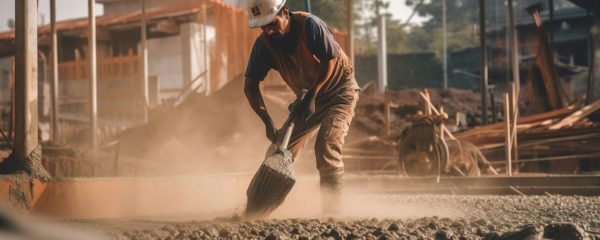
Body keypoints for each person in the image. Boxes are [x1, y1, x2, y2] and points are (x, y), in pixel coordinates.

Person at [244, 0, 359, 214]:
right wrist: (267, 122)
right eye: (263, 26)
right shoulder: (263, 45)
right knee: (277, 152)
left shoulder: (309, 25)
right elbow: (250, 86)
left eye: (272, 23)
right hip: (307, 99)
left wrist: (313, 93)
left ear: (284, 13)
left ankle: (332, 213)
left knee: (326, 143)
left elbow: (329, 59)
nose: (268, 31)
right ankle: (256, 212)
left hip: (339, 92)